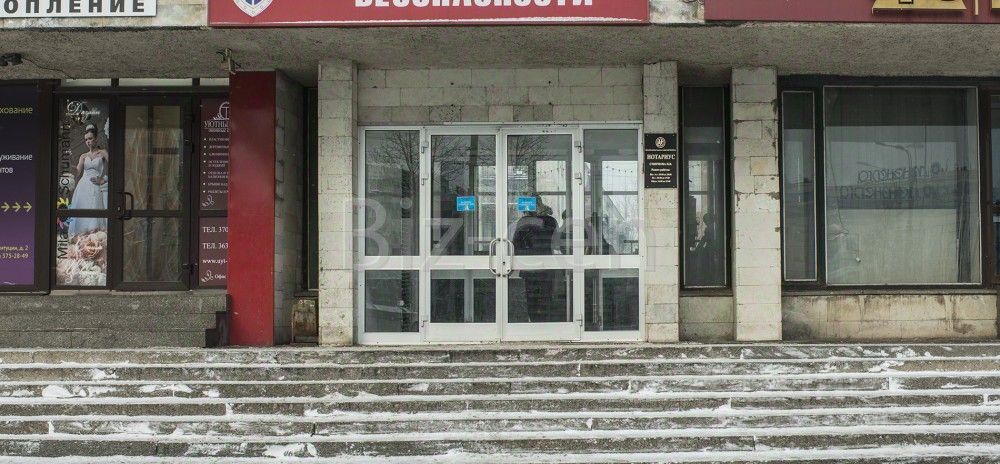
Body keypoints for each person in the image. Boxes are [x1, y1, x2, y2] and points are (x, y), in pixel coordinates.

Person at [68, 124, 109, 236]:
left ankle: (95, 238)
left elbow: (114, 167)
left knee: (94, 212)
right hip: (83, 187)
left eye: (90, 138)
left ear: (96, 139)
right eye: (86, 139)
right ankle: (82, 238)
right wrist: (71, 164)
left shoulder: (103, 153)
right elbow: (77, 172)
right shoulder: (83, 156)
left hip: (95, 186)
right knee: (82, 212)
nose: (88, 141)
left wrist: (104, 179)